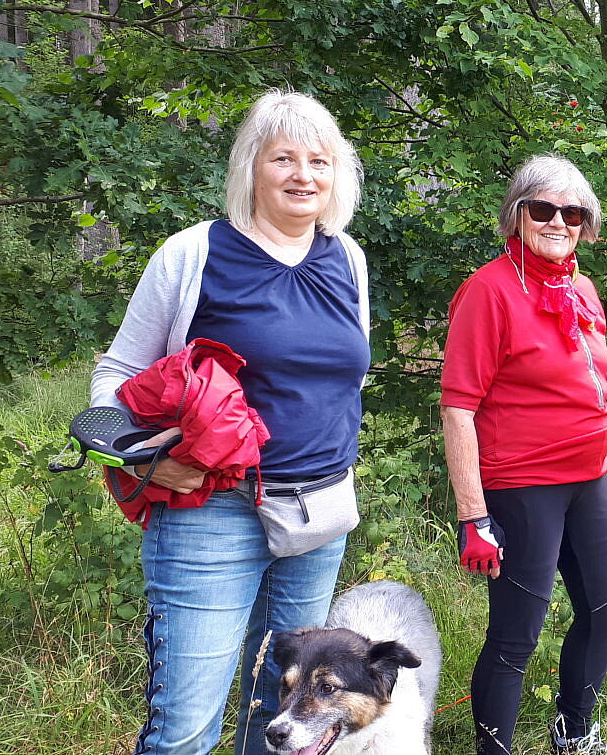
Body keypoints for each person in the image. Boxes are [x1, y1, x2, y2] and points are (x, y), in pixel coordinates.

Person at [89, 90, 371, 755]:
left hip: (318, 517)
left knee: (283, 723)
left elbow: (345, 379)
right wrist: (140, 459)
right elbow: (116, 377)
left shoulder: (348, 259)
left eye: (320, 161)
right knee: (185, 728)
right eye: (284, 158)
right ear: (252, 168)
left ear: (338, 176)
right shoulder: (193, 255)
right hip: (210, 512)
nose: (304, 175)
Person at [441, 154, 607, 755]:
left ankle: (573, 733)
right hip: (522, 485)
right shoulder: (487, 291)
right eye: (542, 209)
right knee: (518, 632)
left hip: (587, 479)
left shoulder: (582, 288)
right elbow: (459, 407)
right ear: (516, 216)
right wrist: (474, 516)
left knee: (604, 607)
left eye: (571, 212)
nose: (558, 222)